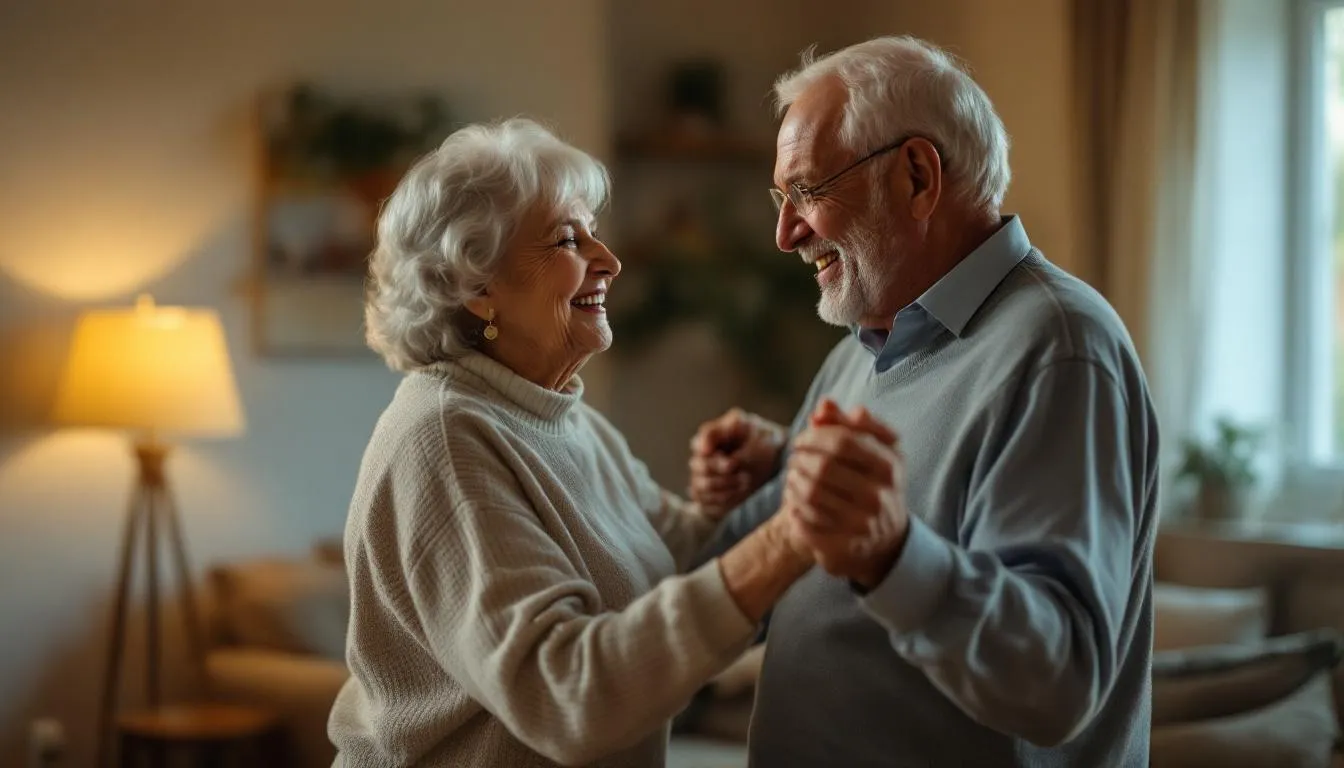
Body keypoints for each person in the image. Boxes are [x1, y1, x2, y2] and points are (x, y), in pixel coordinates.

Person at [688, 36, 1161, 766]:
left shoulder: (1060, 350)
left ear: (916, 175)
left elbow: (1059, 680)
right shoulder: (859, 350)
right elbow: (749, 579)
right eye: (781, 199)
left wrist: (892, 554)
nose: (785, 233)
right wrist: (751, 490)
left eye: (807, 191)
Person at [327, 118, 814, 768]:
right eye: (566, 239)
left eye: (595, 233)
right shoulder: (445, 437)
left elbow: (685, 560)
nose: (609, 260)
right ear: (476, 287)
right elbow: (565, 696)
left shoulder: (561, 416)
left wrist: (775, 478)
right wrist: (785, 542)